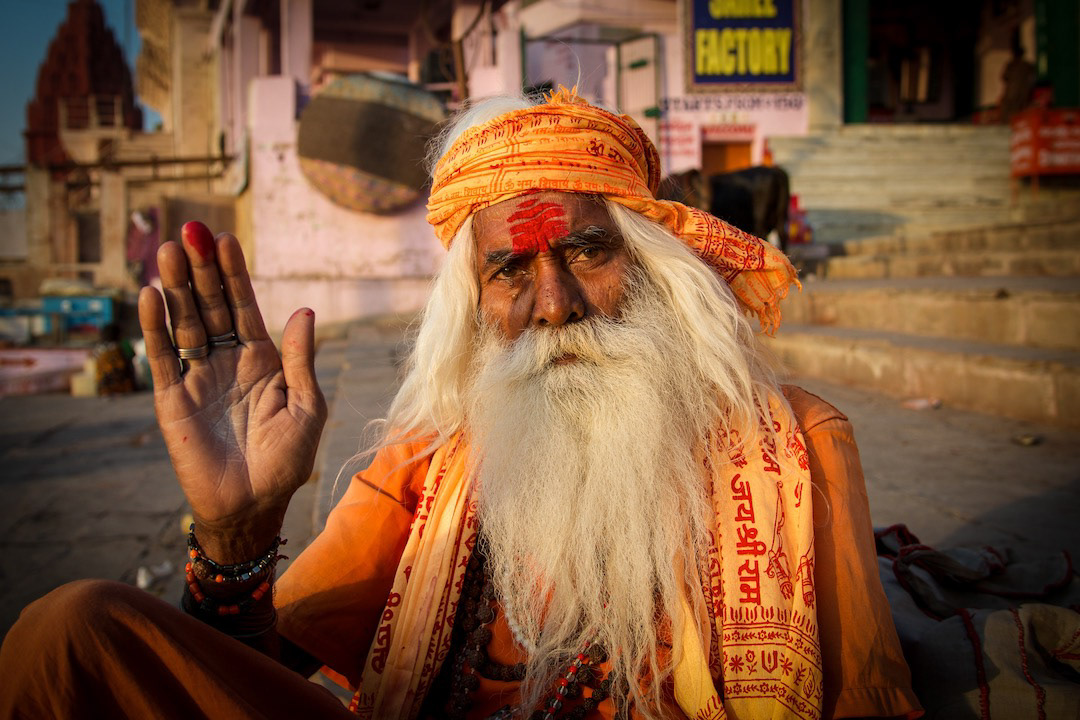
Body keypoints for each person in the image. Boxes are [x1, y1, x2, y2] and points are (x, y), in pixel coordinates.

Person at [0, 90, 922, 720]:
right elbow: (246, 668)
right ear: (474, 306)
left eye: (589, 254)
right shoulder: (431, 462)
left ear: (653, 269)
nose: (553, 304)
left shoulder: (795, 447)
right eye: (511, 269)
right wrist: (238, 531)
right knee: (70, 636)